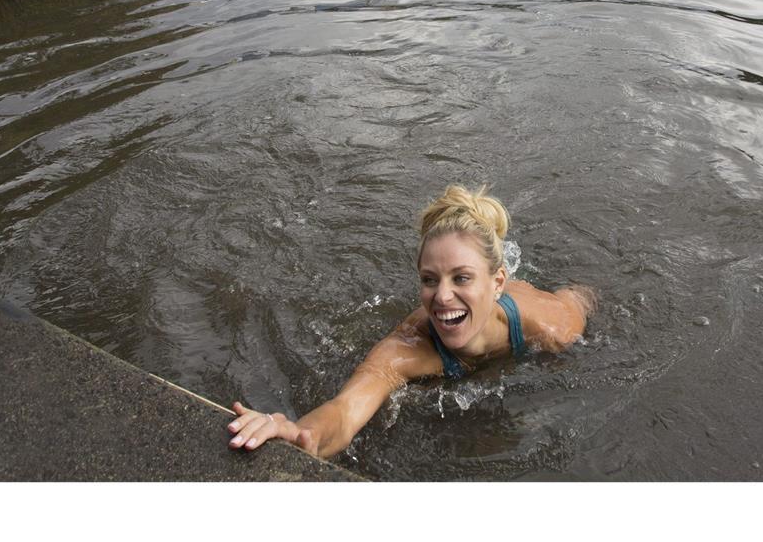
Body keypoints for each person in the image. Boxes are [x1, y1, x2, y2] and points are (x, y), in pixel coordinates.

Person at [226, 184, 596, 459]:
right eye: (430, 279)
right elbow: (345, 411)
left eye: (461, 278)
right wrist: (298, 432)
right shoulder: (404, 350)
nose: (442, 296)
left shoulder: (551, 326)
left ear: (497, 282)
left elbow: (586, 297)